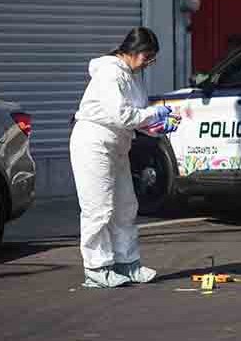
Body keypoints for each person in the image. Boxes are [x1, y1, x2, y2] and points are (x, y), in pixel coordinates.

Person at [70, 27, 174, 288]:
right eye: (148, 57)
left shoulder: (133, 76)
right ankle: (97, 268)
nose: (149, 63)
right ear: (134, 51)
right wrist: (154, 115)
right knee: (98, 208)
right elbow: (122, 115)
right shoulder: (110, 72)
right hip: (94, 143)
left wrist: (156, 126)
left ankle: (128, 262)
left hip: (118, 145)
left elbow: (135, 116)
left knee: (126, 206)